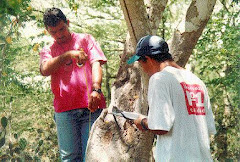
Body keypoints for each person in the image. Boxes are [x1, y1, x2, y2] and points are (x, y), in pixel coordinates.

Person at [128, 35, 216, 161]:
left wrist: (142, 121)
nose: (144, 69)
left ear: (148, 59)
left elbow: (160, 127)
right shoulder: (196, 81)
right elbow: (208, 127)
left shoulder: (159, 79)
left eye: (142, 64)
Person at [39, 7, 107, 161]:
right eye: (53, 32)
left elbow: (96, 63)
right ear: (48, 31)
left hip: (91, 107)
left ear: (67, 23)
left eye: (62, 29)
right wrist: (68, 55)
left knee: (91, 155)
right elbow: (44, 69)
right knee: (69, 157)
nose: (59, 34)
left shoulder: (86, 39)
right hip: (64, 111)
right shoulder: (48, 50)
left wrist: (96, 89)